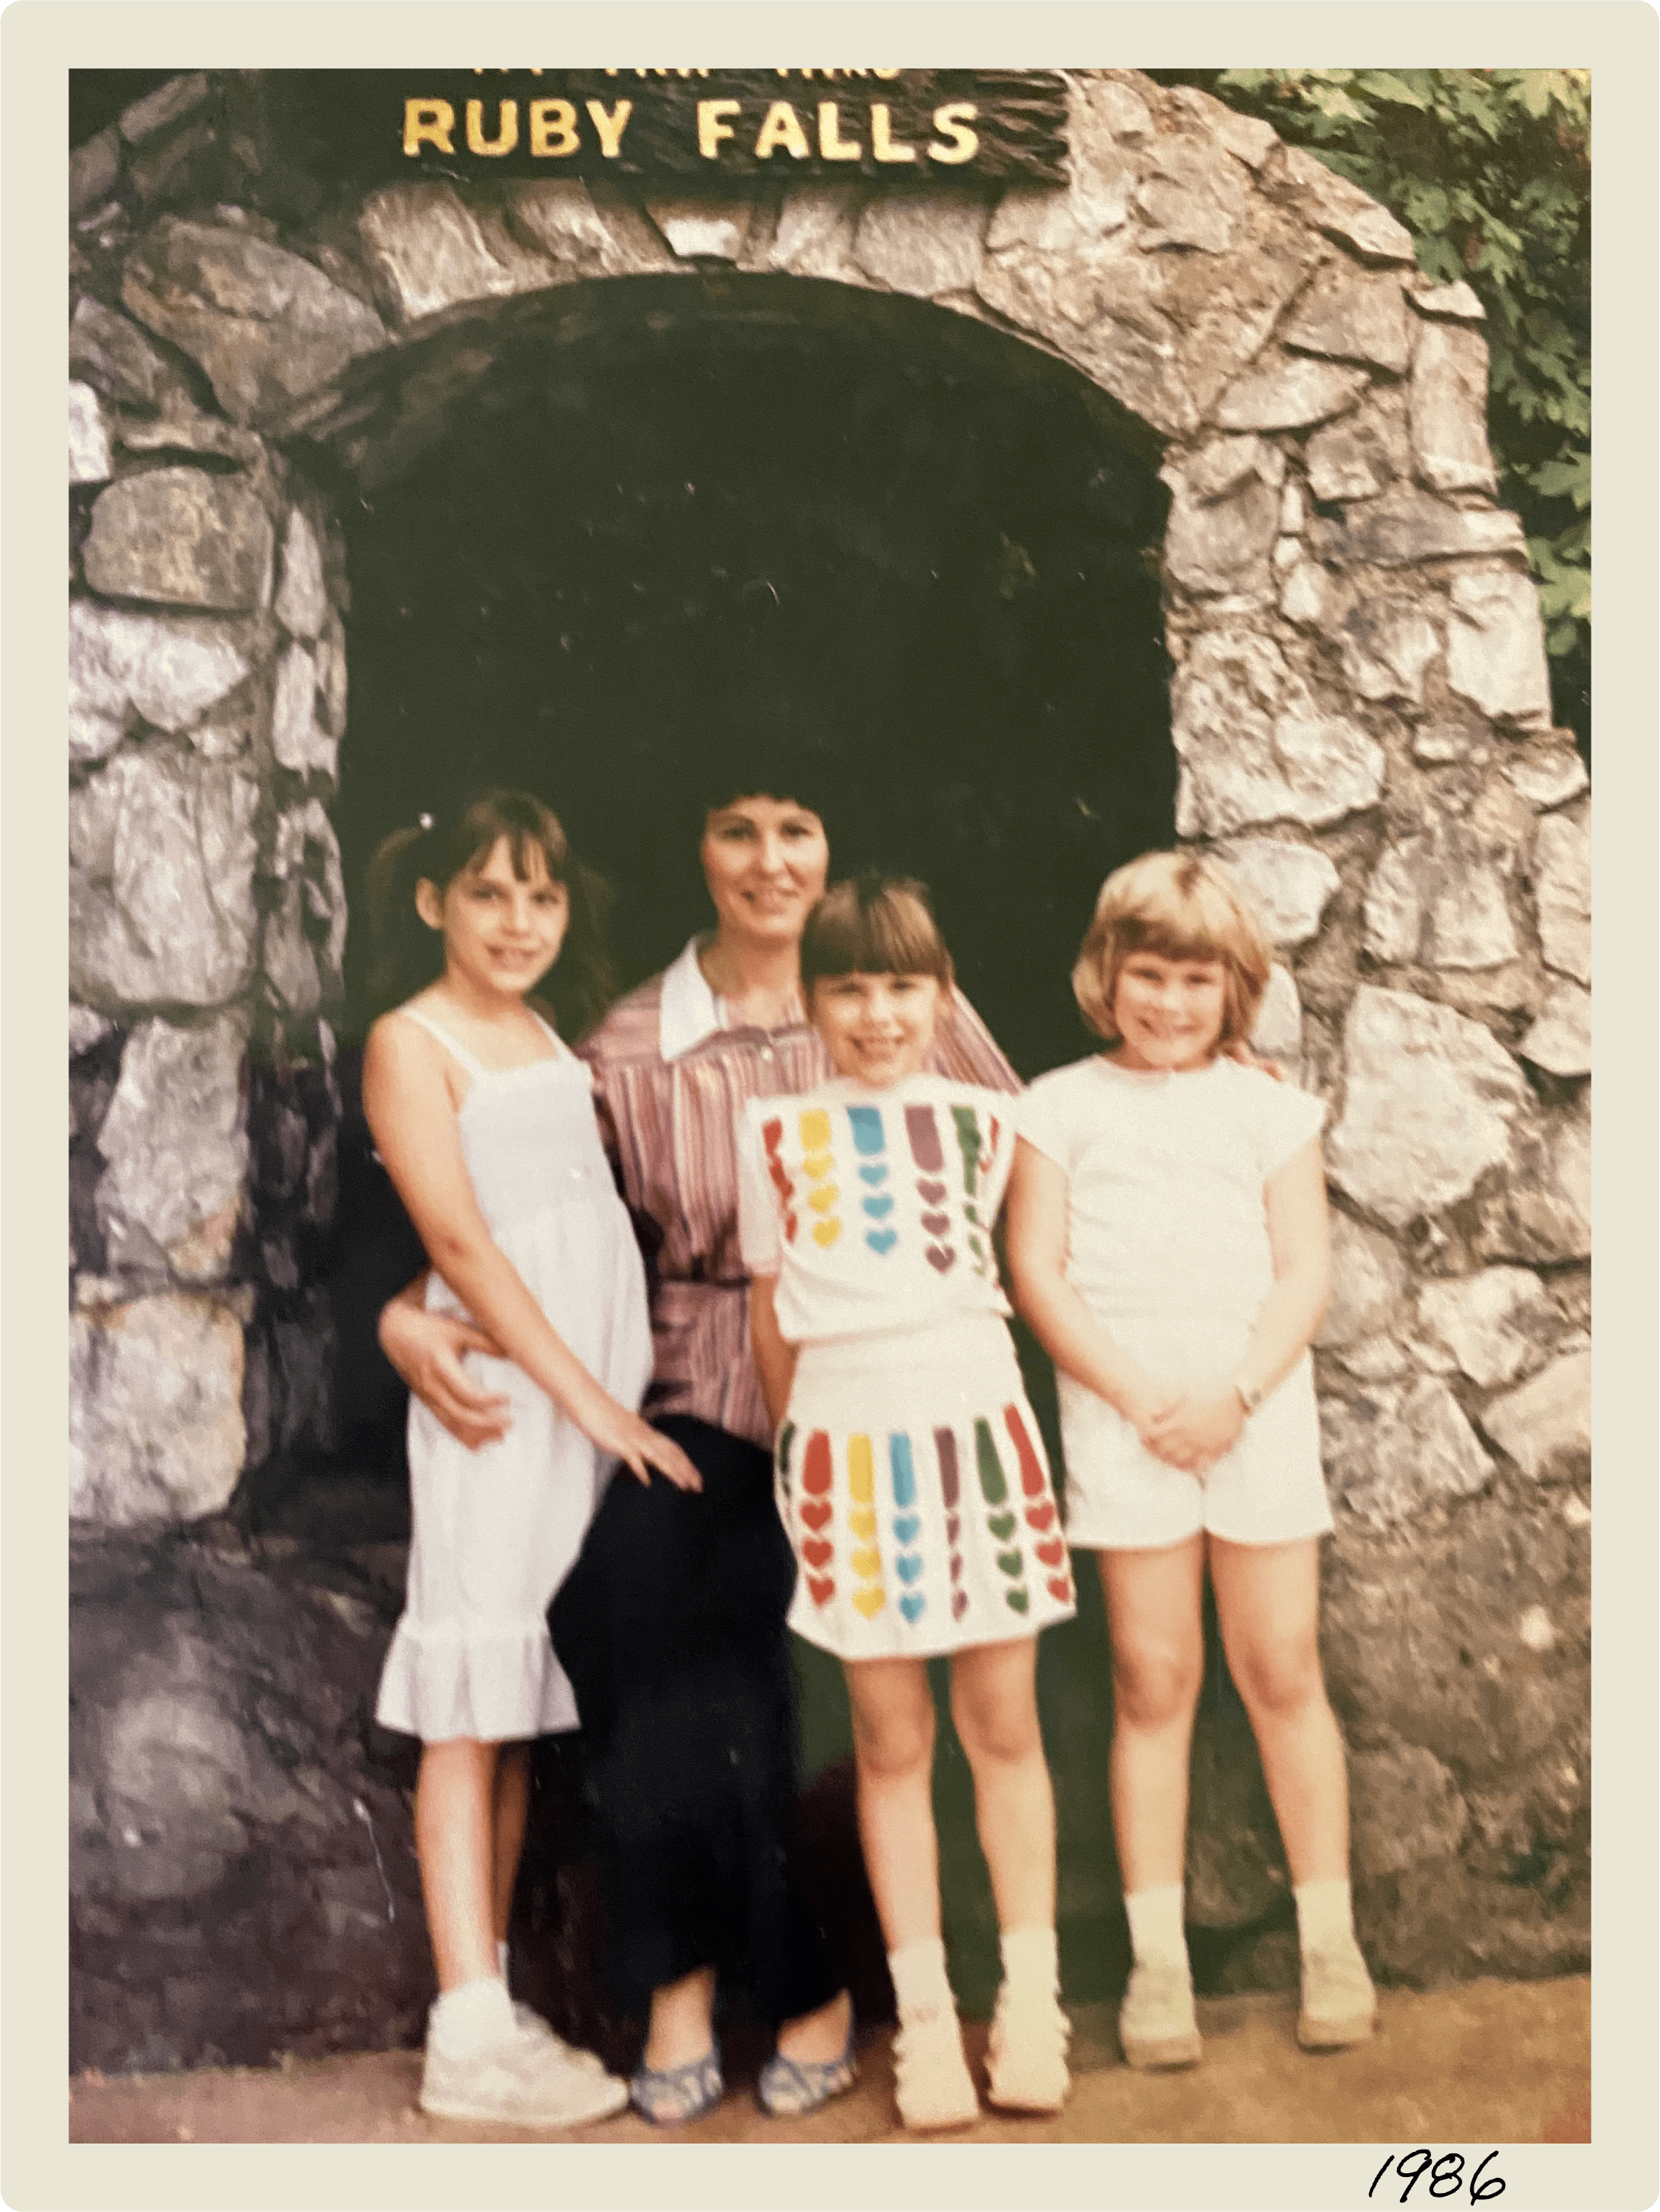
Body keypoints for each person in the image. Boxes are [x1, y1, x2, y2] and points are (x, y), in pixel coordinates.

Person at [380, 763, 1019, 2125]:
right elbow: (522, 1211)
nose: (771, 859)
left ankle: (807, 1990)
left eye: (798, 828)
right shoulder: (618, 1045)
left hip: (879, 1398)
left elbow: (1026, 1167)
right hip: (693, 1400)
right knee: (653, 1612)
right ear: (699, 847)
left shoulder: (912, 1004)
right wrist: (401, 1313)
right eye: (739, 828)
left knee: (792, 1650)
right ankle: (687, 1988)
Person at [1004, 850, 1377, 2072]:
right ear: (1105, 975)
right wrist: (1137, 1398)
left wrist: (1231, 1395)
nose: (1169, 1003)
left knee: (1280, 1667)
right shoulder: (1055, 1104)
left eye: (1196, 981)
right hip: (1125, 1417)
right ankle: (1156, 1965)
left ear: (1236, 990)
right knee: (1150, 1679)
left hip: (1250, 1409)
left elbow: (1303, 1270)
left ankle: (1332, 1941)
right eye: (1146, 975)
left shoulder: (1268, 1108)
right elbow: (1037, 1272)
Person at [361, 790, 700, 2129]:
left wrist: (608, 1394)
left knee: (508, 1703)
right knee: (468, 1690)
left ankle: (490, 2013)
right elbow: (458, 1245)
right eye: (487, 893)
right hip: (505, 1401)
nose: (517, 921)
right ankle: (459, 2030)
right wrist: (591, 1403)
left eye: (541, 897)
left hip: (575, 1391)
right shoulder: (413, 1037)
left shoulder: (547, 1034)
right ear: (433, 900)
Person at [740, 876, 1076, 2131]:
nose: (877, 1015)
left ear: (942, 996)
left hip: (978, 1438)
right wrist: (800, 1458)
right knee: (889, 1747)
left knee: (1003, 1732)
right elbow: (773, 1322)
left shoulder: (998, 1122)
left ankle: (1028, 2008)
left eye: (902, 987)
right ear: (810, 999)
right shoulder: (769, 1134)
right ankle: (927, 2024)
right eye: (849, 989)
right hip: (844, 1453)